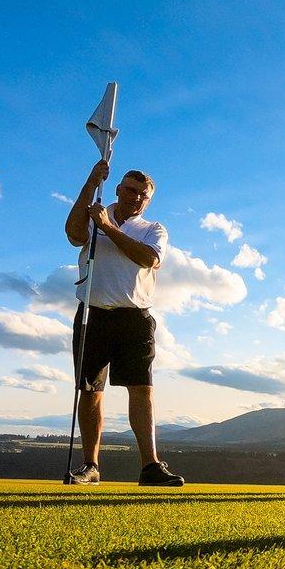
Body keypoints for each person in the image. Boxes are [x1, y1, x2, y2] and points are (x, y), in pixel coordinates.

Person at [62, 160, 185, 486]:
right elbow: (74, 235)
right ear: (117, 189)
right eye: (130, 190)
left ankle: (150, 467)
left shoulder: (152, 229)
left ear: (148, 200)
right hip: (93, 313)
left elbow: (149, 259)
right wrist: (90, 183)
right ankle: (91, 466)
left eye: (142, 195)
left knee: (141, 390)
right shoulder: (93, 214)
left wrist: (108, 228)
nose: (135, 198)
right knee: (90, 391)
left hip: (135, 317)